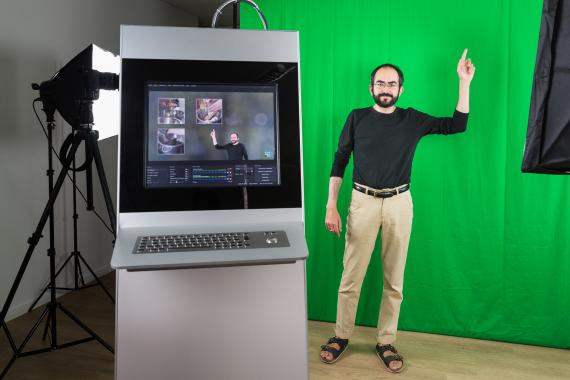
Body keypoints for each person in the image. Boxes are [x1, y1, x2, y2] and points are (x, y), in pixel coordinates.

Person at [319, 49, 475, 373]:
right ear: (371, 88)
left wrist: (464, 82)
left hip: (400, 203)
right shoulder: (356, 117)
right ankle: (340, 336)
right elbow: (339, 160)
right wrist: (331, 205)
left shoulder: (412, 119)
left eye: (392, 83)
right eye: (380, 83)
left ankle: (386, 341)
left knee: (395, 280)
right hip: (361, 202)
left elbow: (456, 124)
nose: (386, 88)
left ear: (401, 89)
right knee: (351, 277)